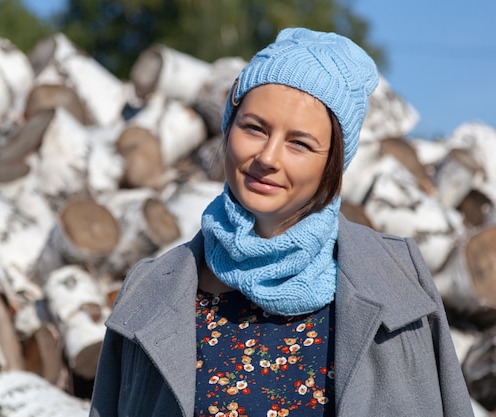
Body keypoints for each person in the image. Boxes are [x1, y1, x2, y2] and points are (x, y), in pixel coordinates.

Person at [89, 27, 474, 417]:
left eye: (300, 143)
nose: (268, 157)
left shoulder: (398, 277)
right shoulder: (151, 290)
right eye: (254, 128)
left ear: (334, 163)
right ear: (228, 127)